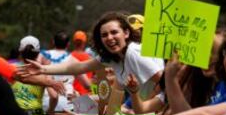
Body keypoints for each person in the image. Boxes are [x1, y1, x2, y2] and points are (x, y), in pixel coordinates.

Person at [20, 11, 163, 100]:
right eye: (104, 35)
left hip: (161, 114)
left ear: (126, 33)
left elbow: (164, 82)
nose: (109, 38)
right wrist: (43, 69)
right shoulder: (114, 57)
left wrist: (152, 107)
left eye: (114, 32)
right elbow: (81, 67)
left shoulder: (133, 52)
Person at [71, 30, 94, 95]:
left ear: (74, 42)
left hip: (72, 94)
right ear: (84, 42)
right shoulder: (90, 59)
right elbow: (95, 78)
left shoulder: (69, 57)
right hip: (87, 93)